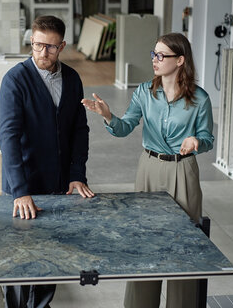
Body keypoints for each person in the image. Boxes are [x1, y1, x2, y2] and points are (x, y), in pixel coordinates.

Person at [81, 32, 214, 308]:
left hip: (183, 171)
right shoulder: (144, 92)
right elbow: (125, 127)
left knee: (182, 244)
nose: (155, 60)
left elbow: (208, 138)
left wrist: (196, 142)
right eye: (153, 54)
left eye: (161, 55)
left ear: (180, 60)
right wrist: (108, 116)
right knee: (144, 242)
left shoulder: (200, 98)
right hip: (149, 168)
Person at [0, 15, 95, 308]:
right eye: (38, 45)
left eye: (51, 48)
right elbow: (8, 138)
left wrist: (77, 174)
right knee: (20, 262)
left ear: (62, 46)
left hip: (58, 186)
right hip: (23, 186)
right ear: (31, 42)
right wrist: (20, 190)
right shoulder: (15, 80)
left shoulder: (73, 79)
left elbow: (80, 131)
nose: (43, 53)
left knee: (49, 256)